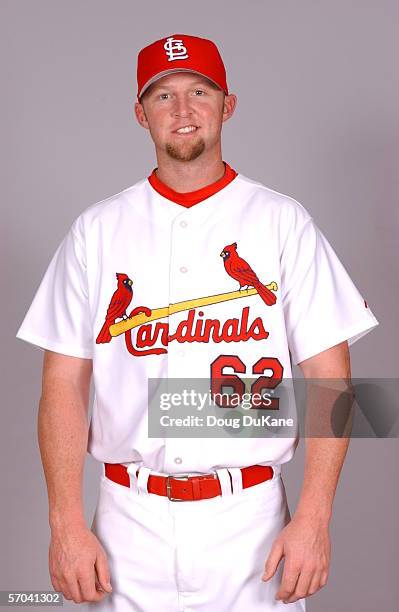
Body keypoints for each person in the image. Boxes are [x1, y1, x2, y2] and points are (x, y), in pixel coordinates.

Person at [15, 33, 379, 611]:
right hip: (126, 524)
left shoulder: (282, 222)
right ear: (141, 114)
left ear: (227, 105)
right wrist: (64, 524)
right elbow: (61, 383)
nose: (182, 111)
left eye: (199, 91)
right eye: (163, 96)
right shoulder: (97, 230)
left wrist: (313, 517)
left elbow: (330, 375)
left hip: (252, 524)